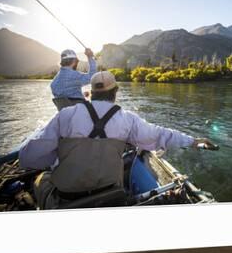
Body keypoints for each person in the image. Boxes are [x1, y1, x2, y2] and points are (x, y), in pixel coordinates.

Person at [17, 71, 217, 209]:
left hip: (68, 199)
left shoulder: (66, 115)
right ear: (115, 93)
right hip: (112, 194)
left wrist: (58, 158)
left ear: (90, 94)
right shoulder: (127, 120)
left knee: (41, 180)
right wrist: (194, 140)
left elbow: (27, 157)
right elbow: (160, 134)